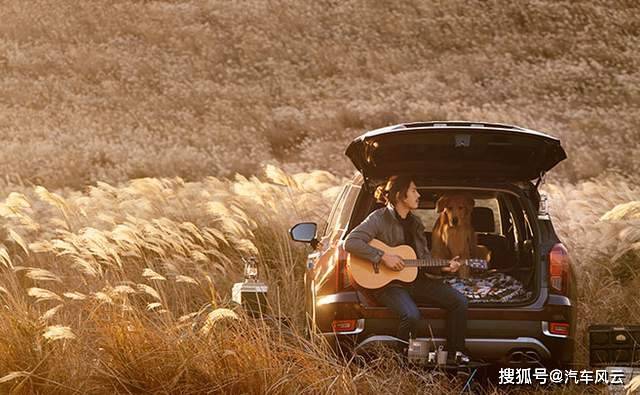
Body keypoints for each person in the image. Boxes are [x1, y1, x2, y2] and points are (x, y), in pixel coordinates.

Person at [344, 175, 470, 364]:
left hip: (416, 281)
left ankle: (457, 355)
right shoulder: (378, 218)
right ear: (401, 195)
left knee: (459, 301)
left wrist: (444, 267)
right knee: (410, 315)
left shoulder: (416, 224)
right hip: (388, 285)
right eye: (414, 190)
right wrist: (383, 257)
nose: (418, 194)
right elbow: (351, 242)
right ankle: (403, 361)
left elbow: (424, 260)